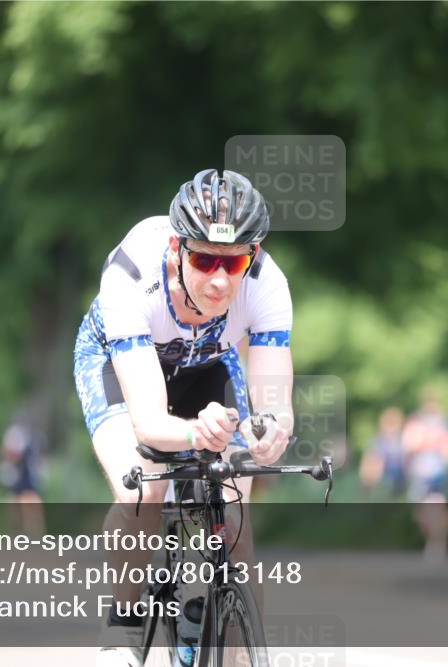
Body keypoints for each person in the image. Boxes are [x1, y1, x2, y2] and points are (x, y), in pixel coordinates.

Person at [74, 169, 294, 667]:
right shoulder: (131, 275)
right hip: (118, 361)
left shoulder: (268, 284)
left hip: (206, 364)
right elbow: (150, 423)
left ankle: (240, 652)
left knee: (235, 515)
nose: (220, 279)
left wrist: (270, 431)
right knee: (144, 490)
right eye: (204, 259)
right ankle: (124, 620)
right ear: (177, 248)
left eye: (234, 262)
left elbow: (275, 402)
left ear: (252, 257)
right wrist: (199, 431)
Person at [402, 387, 448, 563]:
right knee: (422, 513)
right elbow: (408, 446)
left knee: (439, 508)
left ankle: (437, 543)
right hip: (419, 475)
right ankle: (432, 538)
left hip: (439, 474)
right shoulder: (415, 423)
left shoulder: (447, 425)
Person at [360, 407, 406, 498]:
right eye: (388, 423)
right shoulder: (377, 441)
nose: (391, 427)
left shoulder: (405, 439)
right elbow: (369, 462)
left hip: (403, 475)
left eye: (393, 423)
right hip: (384, 477)